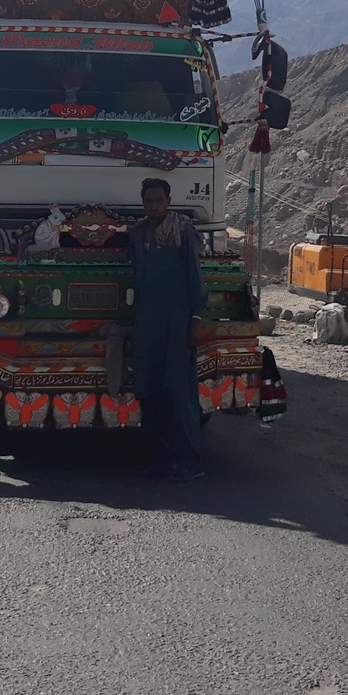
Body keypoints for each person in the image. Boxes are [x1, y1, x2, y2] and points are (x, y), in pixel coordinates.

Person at [126, 176, 205, 481]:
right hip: (147, 320)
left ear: (168, 201)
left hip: (176, 320)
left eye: (159, 200)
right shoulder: (136, 235)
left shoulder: (182, 231)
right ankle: (159, 458)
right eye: (149, 201)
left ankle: (189, 461)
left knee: (178, 391)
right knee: (148, 389)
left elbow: (194, 275)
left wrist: (196, 319)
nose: (154, 205)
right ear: (143, 203)